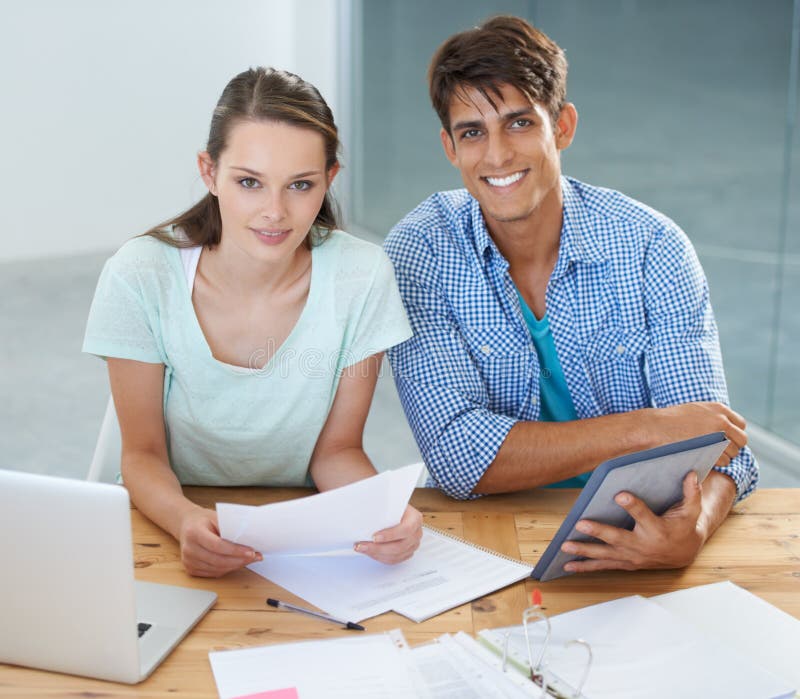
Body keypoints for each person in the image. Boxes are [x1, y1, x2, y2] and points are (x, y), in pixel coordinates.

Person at [384, 16, 757, 573]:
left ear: (562, 126)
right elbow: (459, 458)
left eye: (518, 123)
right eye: (473, 132)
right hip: (491, 540)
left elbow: (716, 442)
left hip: (637, 534)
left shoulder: (652, 247)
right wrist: (648, 429)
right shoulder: (422, 251)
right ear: (450, 147)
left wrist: (695, 527)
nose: (497, 156)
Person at [83, 67, 422, 578]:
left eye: (300, 185)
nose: (275, 212)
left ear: (329, 179)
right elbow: (143, 455)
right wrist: (185, 521)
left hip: (299, 532)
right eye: (249, 182)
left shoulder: (362, 276)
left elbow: (336, 452)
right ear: (209, 172)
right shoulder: (140, 275)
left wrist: (382, 514)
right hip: (168, 517)